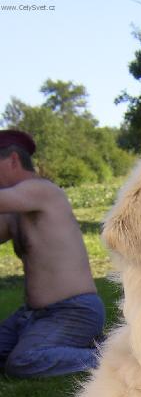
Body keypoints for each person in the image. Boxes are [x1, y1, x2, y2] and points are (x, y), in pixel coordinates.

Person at [0, 129, 105, 377]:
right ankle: (77, 345)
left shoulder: (42, 191)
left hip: (74, 311)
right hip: (32, 316)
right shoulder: (16, 210)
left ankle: (108, 357)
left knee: (24, 361)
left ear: (13, 160)